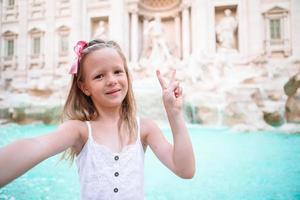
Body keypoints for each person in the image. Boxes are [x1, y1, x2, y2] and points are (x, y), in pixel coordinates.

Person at [0, 39, 195, 199]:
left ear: (127, 76)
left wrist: (174, 114)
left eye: (118, 71)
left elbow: (185, 170)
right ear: (84, 87)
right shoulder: (79, 131)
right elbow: (35, 145)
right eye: (99, 76)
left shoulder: (145, 128)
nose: (112, 80)